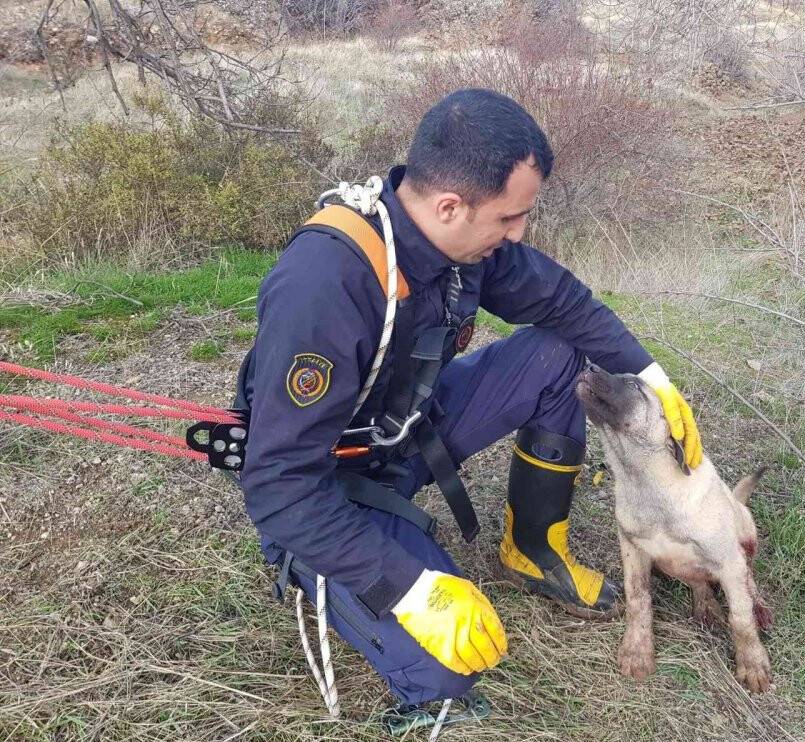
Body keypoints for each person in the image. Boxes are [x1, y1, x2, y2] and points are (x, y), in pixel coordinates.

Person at [234, 88, 702, 709]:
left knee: (560, 357)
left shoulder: (462, 248)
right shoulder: (324, 285)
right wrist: (410, 589)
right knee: (448, 675)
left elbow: (561, 302)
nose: (519, 233)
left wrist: (653, 378)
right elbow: (279, 484)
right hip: (324, 487)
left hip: (406, 431)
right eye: (509, 218)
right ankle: (315, 571)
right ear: (450, 205)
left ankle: (534, 549)